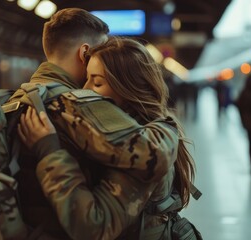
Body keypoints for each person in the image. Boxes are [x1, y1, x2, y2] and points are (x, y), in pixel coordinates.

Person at [17, 37, 201, 239]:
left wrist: (50, 152)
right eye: (85, 79)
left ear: (128, 88)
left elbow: (92, 226)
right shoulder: (130, 134)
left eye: (97, 82)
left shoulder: (138, 147)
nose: (84, 89)